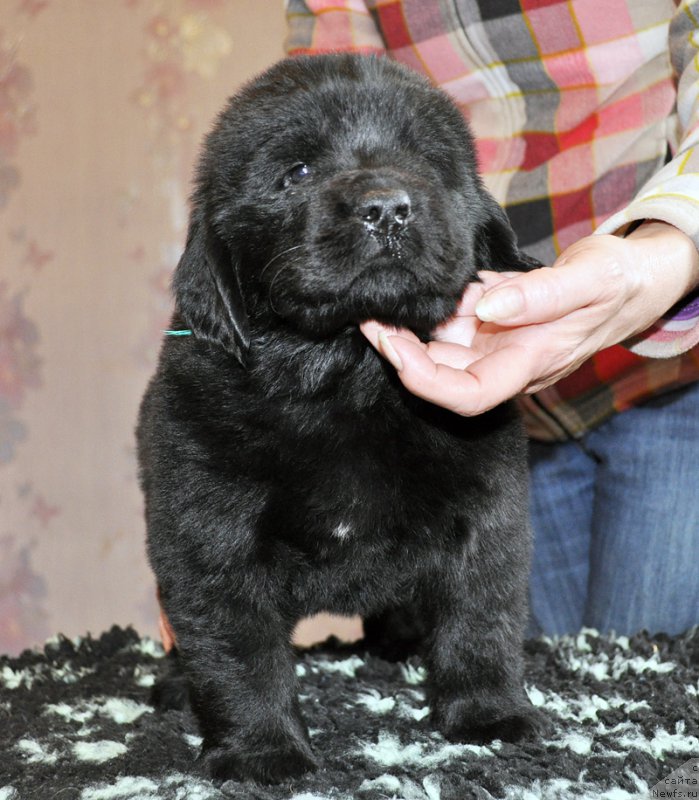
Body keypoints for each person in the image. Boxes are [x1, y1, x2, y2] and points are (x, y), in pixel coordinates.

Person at [285, 0, 699, 636]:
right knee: (504, 700)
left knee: (651, 697)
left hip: (675, 359)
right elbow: (317, 119)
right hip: (463, 377)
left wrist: (668, 249)